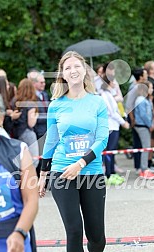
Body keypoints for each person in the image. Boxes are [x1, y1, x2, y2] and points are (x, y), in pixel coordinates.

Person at [38, 51, 109, 252]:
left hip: (91, 172)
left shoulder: (97, 102)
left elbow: (102, 140)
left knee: (96, 236)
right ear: (62, 74)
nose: (73, 70)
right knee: (74, 231)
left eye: (76, 66)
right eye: (67, 67)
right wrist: (43, 175)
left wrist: (80, 164)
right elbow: (51, 142)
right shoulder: (56, 105)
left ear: (84, 70)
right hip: (62, 172)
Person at [0, 105, 38, 251]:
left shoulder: (18, 150)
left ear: (0, 117)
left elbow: (31, 199)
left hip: (13, 238)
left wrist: (20, 233)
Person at [134, 81, 154, 179]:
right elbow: (143, 115)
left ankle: (145, 168)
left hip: (144, 125)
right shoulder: (141, 100)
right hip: (142, 126)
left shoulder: (145, 99)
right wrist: (150, 124)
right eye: (151, 87)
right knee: (146, 147)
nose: (152, 89)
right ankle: (144, 170)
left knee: (145, 147)